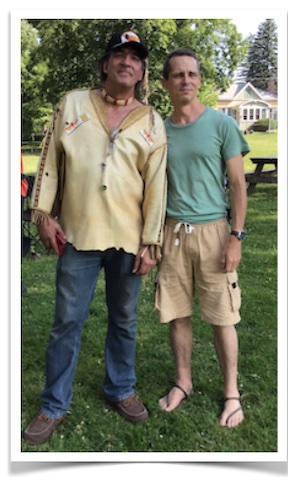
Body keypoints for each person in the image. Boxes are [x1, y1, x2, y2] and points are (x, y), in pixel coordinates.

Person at [22, 30, 168, 445]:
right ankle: (53, 403)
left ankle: (120, 389)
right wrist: (43, 215)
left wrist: (150, 241)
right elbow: (50, 160)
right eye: (119, 54)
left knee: (124, 320)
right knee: (67, 321)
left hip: (128, 239)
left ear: (141, 72)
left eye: (135, 58)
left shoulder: (152, 121)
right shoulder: (72, 103)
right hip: (77, 236)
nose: (127, 62)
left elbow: (157, 186)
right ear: (105, 64)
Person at [155, 48, 250, 428]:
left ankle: (231, 394)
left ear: (199, 79)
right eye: (177, 75)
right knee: (177, 313)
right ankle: (183, 382)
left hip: (214, 232)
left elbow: (239, 185)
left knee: (222, 316)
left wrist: (236, 236)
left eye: (192, 74)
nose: (186, 81)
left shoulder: (221, 125)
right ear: (165, 83)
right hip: (172, 233)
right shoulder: (158, 131)